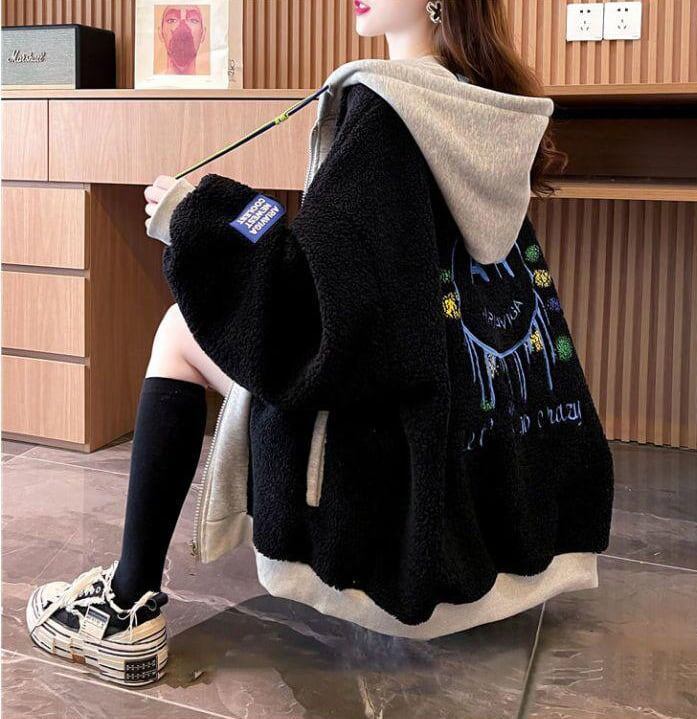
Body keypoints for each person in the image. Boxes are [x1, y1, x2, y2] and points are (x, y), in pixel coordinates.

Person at [25, 0, 614, 687]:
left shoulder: (387, 110)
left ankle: (126, 607)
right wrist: (233, 210)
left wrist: (195, 214)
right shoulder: (478, 107)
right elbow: (329, 252)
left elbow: (310, 311)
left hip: (395, 446)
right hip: (474, 437)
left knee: (178, 330)